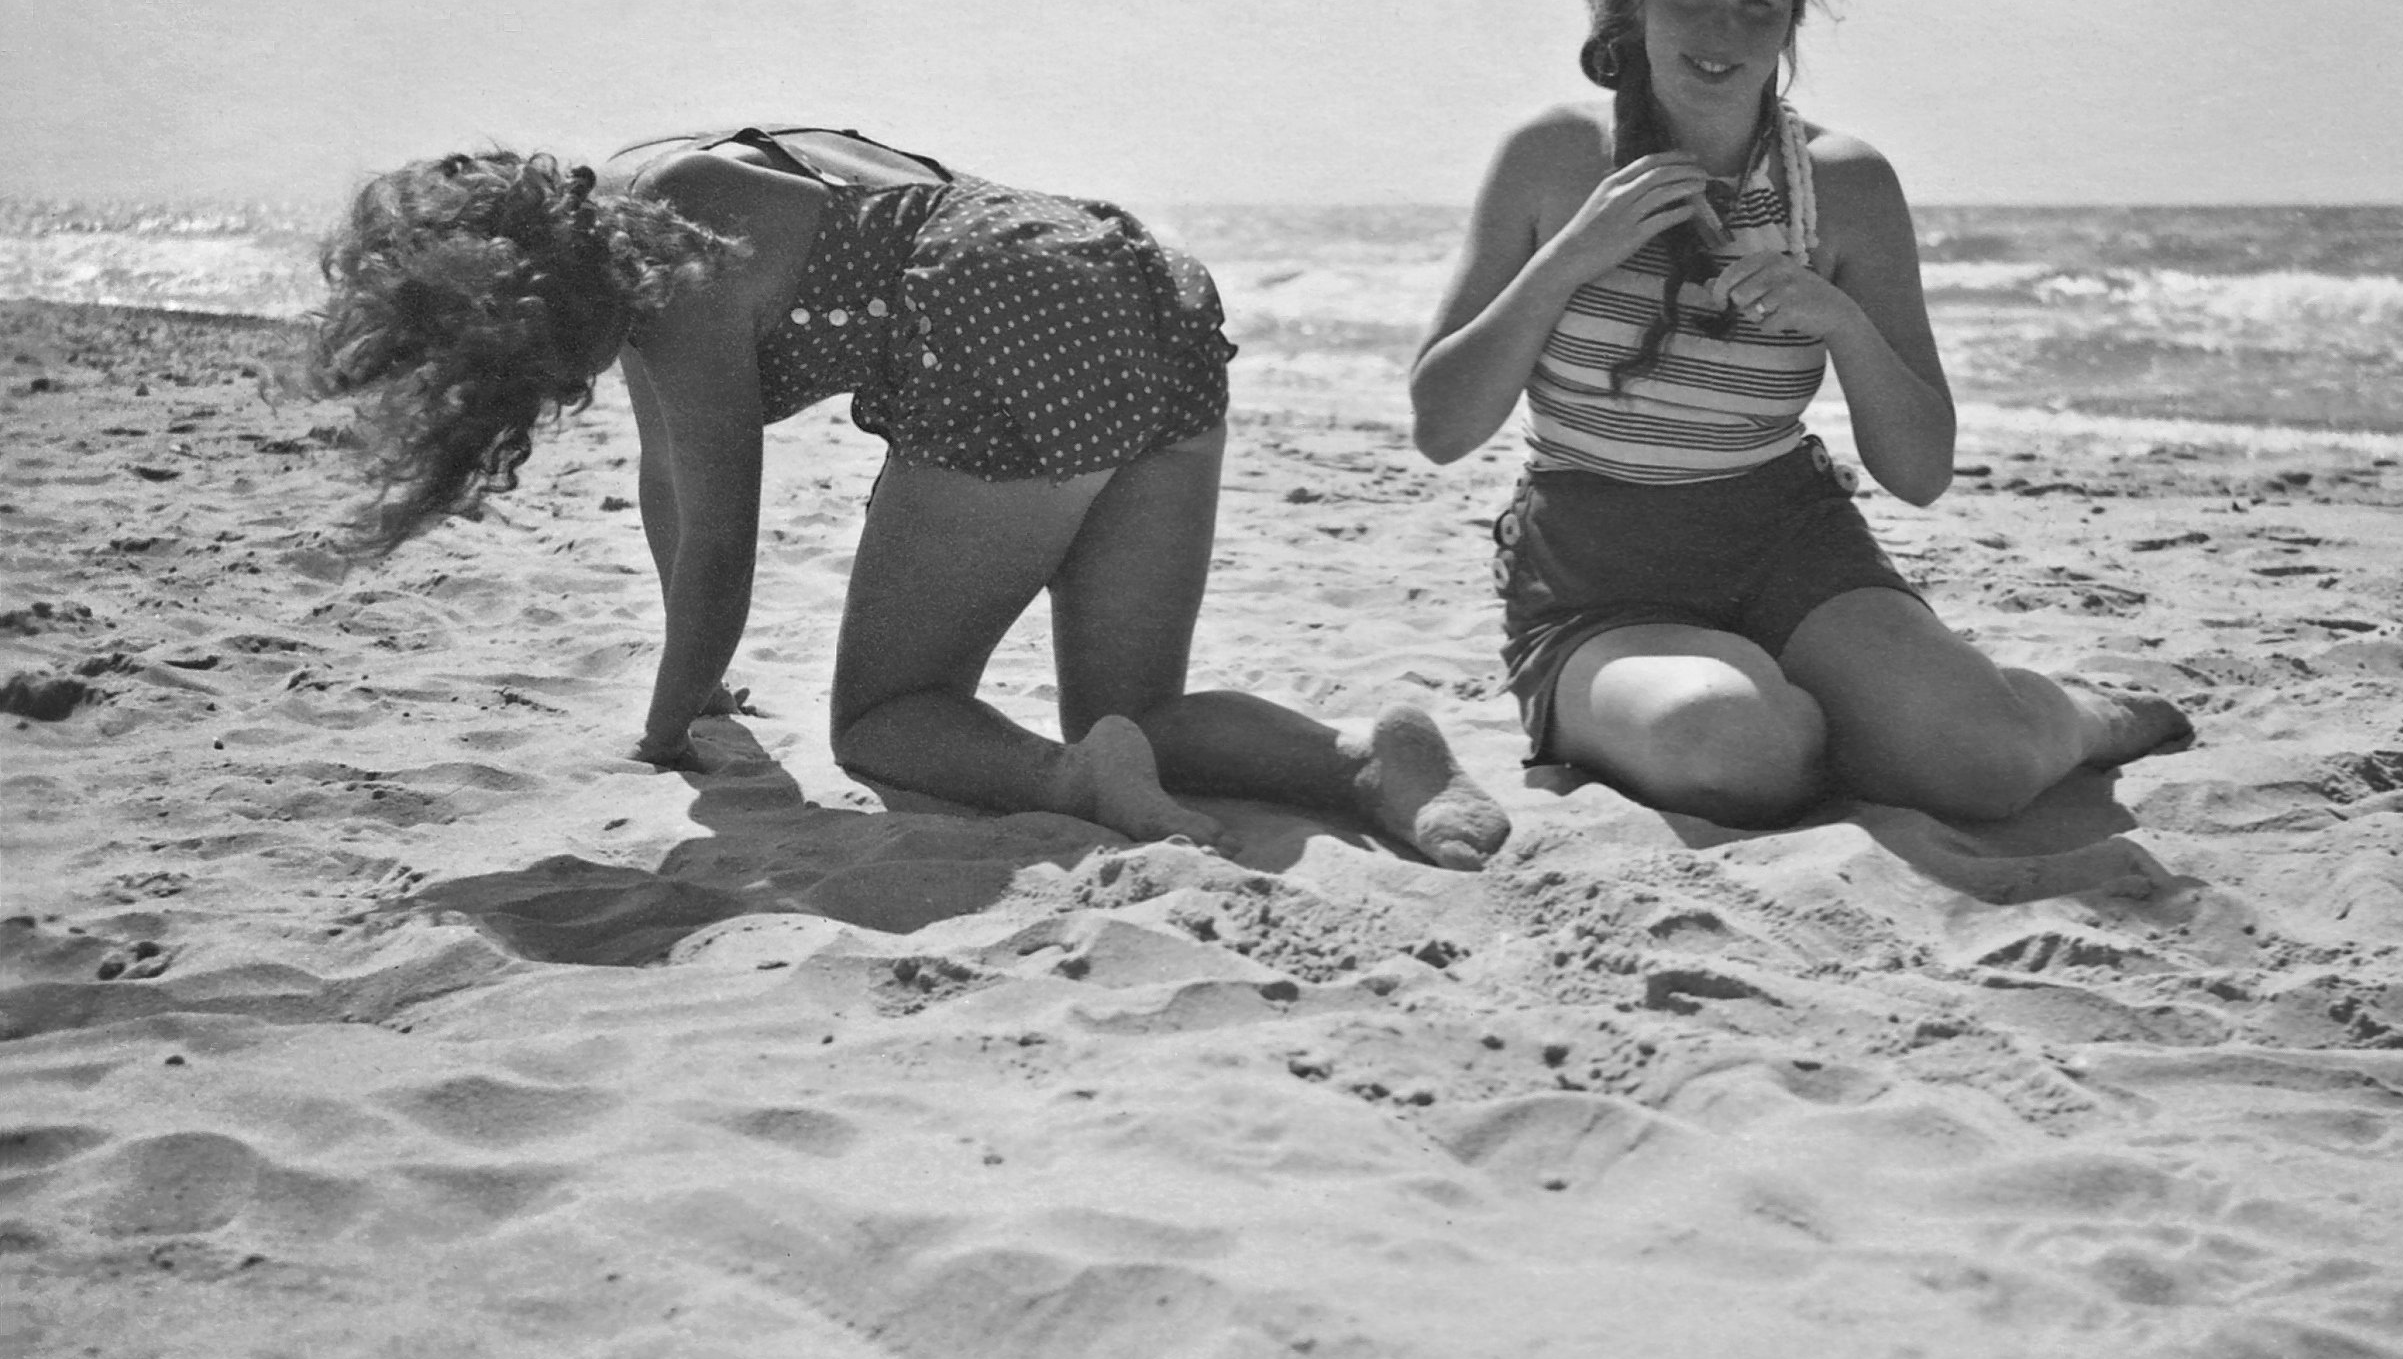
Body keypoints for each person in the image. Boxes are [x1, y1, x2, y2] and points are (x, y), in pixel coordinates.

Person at [312, 125, 1510, 869]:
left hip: (1004, 306)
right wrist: (700, 683)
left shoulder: (668, 286)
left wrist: (667, 730)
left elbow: (720, 537)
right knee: (1137, 707)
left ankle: (1066, 783)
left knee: (887, 715)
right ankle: (1366, 760)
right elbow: (666, 474)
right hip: (1129, 271)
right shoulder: (651, 195)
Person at [1410, 0, 2189, 829]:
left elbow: (1922, 470)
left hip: (1789, 547)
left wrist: (1844, 324)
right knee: (1735, 746)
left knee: (1983, 763)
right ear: (1631, 1)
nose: (1721, 33)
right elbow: (1441, 424)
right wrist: (1572, 257)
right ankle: (1830, 717)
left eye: (1757, 6)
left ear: (1790, 21)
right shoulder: (1552, 159)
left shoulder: (1846, 186)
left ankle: (2079, 716)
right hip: (1596, 578)